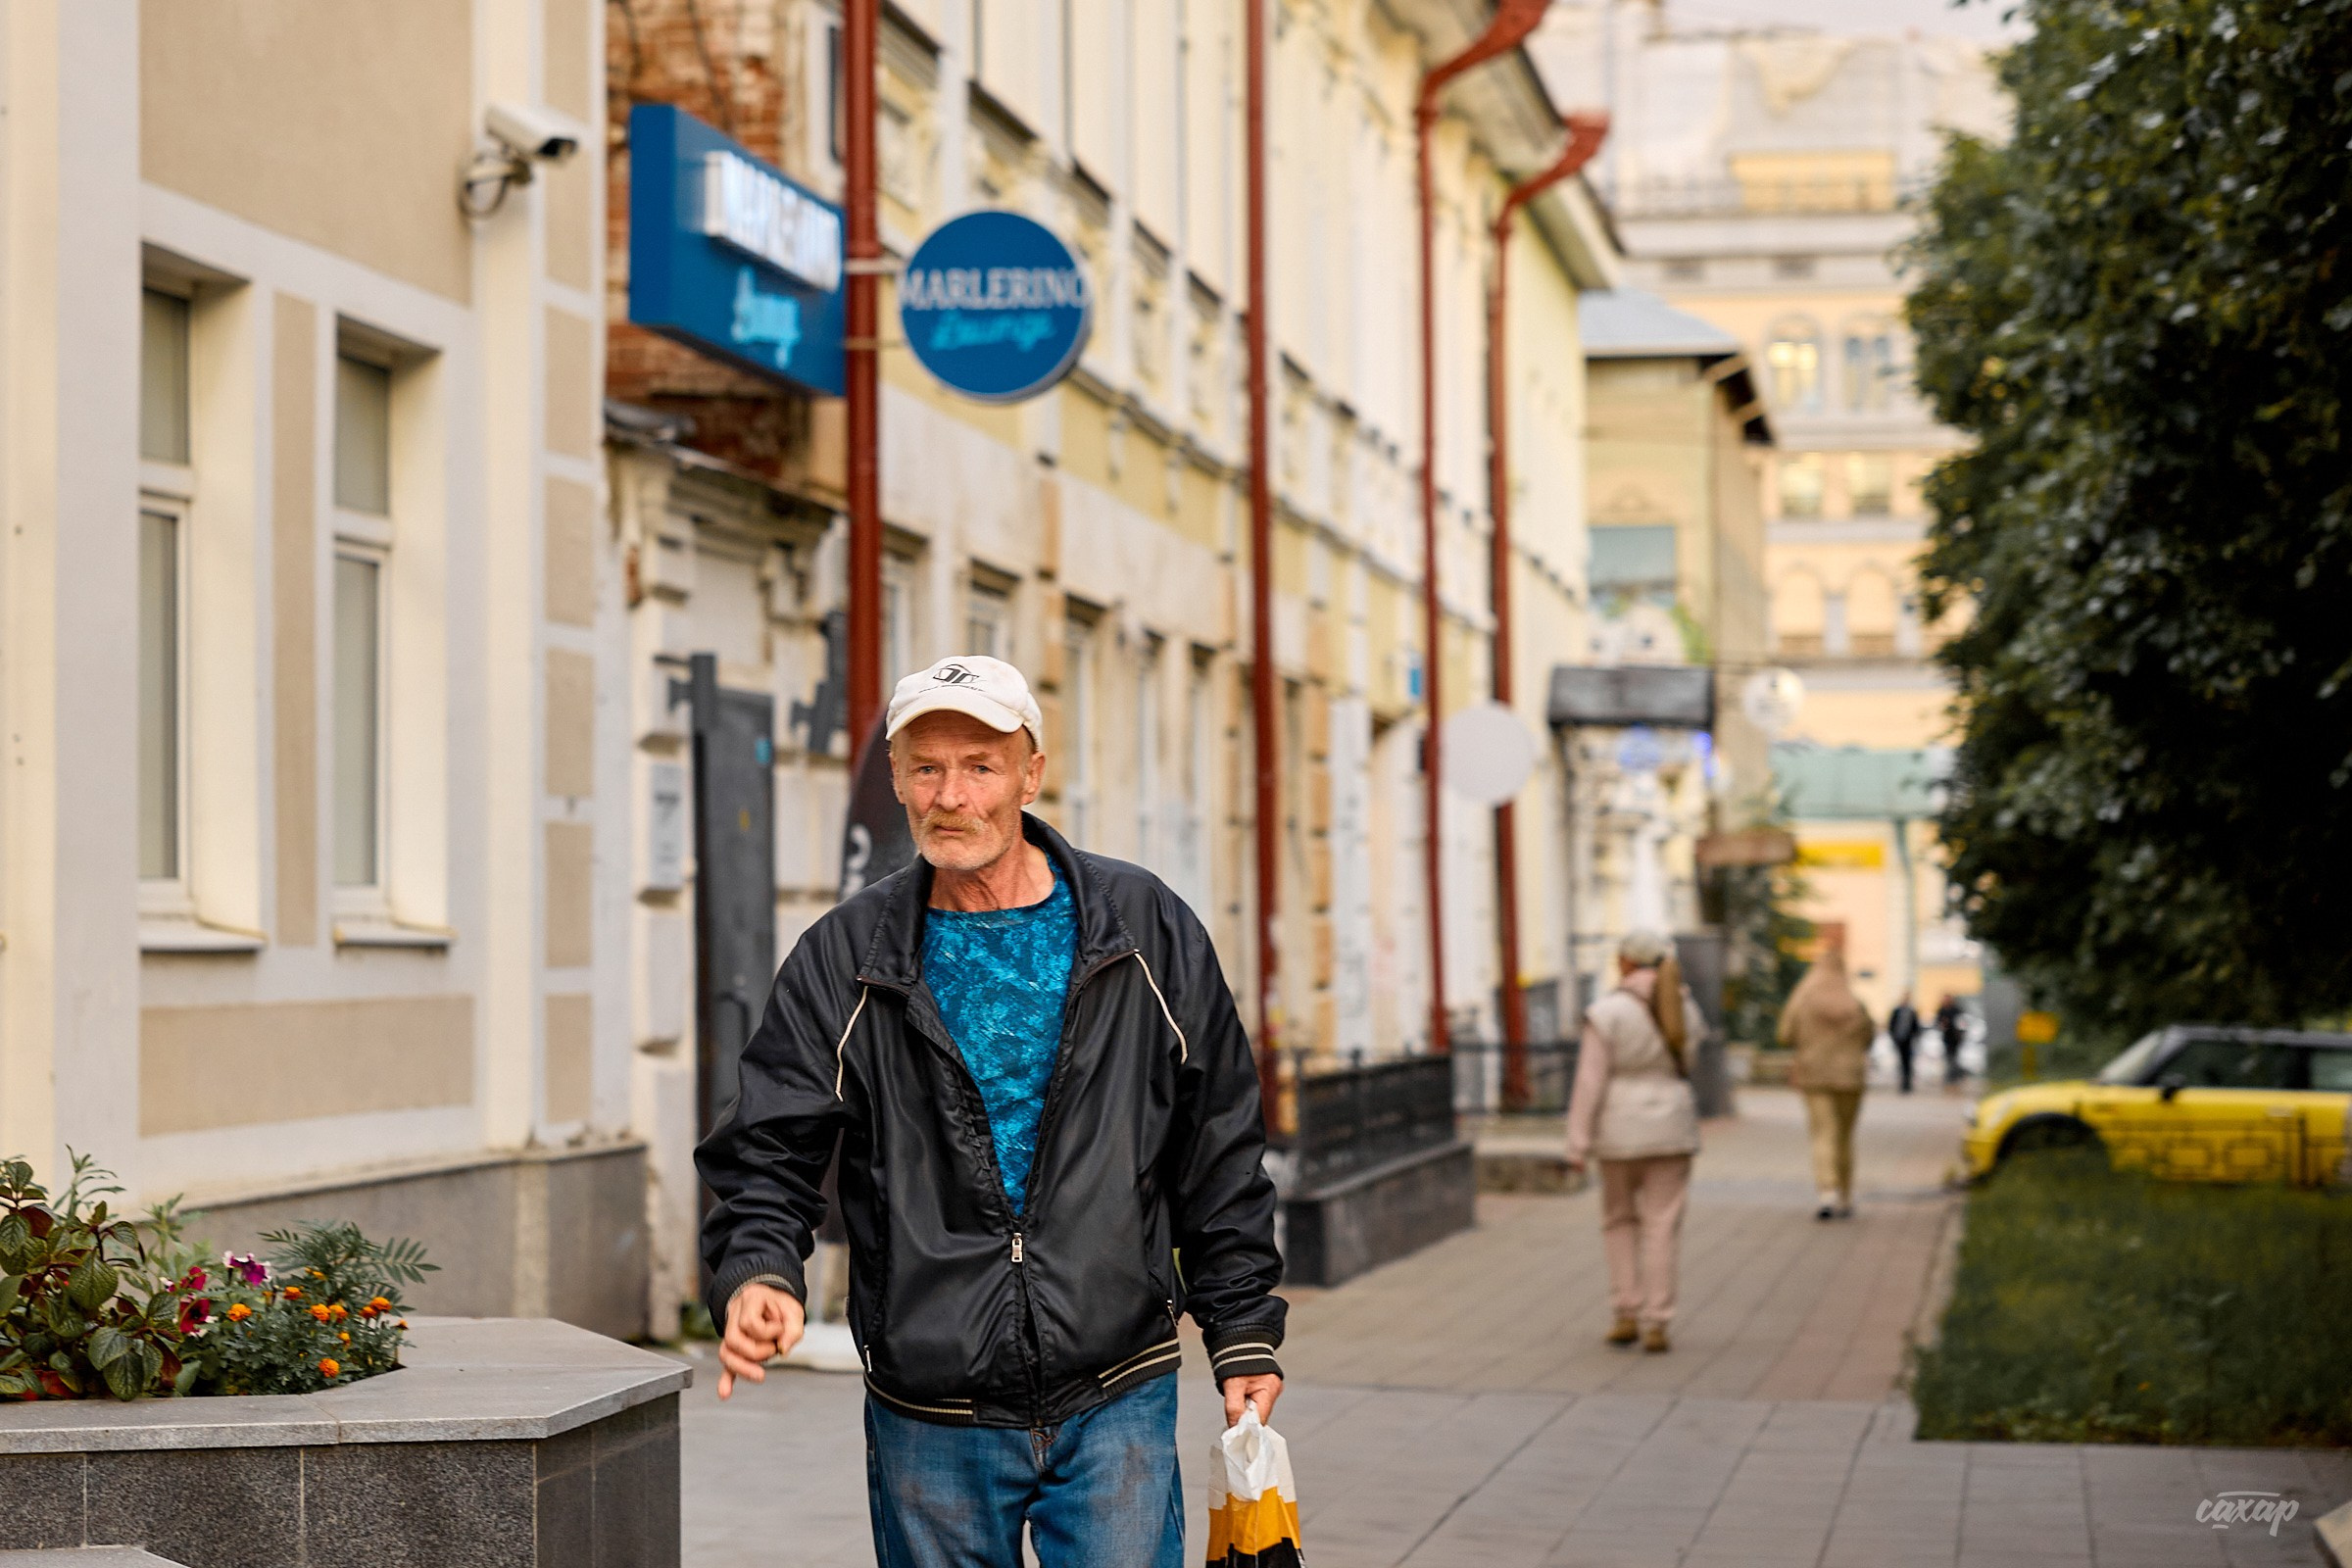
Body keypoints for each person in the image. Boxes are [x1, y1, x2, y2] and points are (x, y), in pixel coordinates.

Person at [697, 655, 1285, 1568]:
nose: (952, 795)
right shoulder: (843, 956)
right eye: (926, 767)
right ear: (896, 778)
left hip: (1115, 1379)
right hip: (930, 1398)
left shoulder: (1142, 928)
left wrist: (1241, 1327)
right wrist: (760, 1271)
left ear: (1029, 772)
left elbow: (1217, 1141)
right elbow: (769, 1144)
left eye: (980, 765)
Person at [1564, 932, 1703, 1354]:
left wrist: (1577, 1142)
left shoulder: (1607, 1013)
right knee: (1662, 1225)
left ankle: (1626, 1310)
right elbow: (1691, 1062)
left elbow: (1590, 1081)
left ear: (1624, 963)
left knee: (1620, 1220)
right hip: (1672, 1125)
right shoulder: (1684, 1007)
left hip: (1619, 1128)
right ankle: (1658, 1321)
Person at [1779, 943, 1873, 1220]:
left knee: (1823, 1133)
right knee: (1845, 1136)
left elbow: (1785, 1033)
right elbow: (1868, 1037)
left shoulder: (1804, 1000)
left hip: (1815, 1075)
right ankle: (1845, 1196)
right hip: (1851, 1077)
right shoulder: (1855, 1002)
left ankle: (1826, 1192)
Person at [1886, 992, 1922, 1095]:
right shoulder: (1897, 1011)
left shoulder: (1911, 1011)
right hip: (1899, 1039)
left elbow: (1915, 1026)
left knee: (1908, 1063)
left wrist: (1915, 1036)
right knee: (1901, 1062)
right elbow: (1891, 1024)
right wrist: (1894, 1037)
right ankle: (1902, 1083)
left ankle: (1907, 1083)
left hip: (1909, 1040)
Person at [1935, 993, 1968, 1085]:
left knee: (1954, 1059)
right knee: (1949, 1059)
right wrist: (1942, 1025)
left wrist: (1960, 1033)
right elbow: (1938, 1023)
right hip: (1947, 1038)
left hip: (1956, 1038)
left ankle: (1953, 1078)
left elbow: (1962, 1023)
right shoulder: (1941, 1010)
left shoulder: (1956, 1010)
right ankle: (1952, 1078)